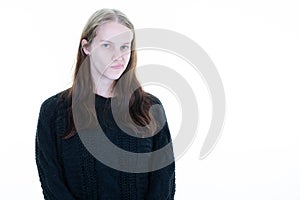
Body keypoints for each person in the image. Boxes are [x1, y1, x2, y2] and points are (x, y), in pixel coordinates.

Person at [35, 8, 176, 200]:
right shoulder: (53, 111)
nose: (118, 56)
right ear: (87, 47)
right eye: (107, 45)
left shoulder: (149, 109)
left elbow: (163, 182)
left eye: (124, 46)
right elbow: (52, 183)